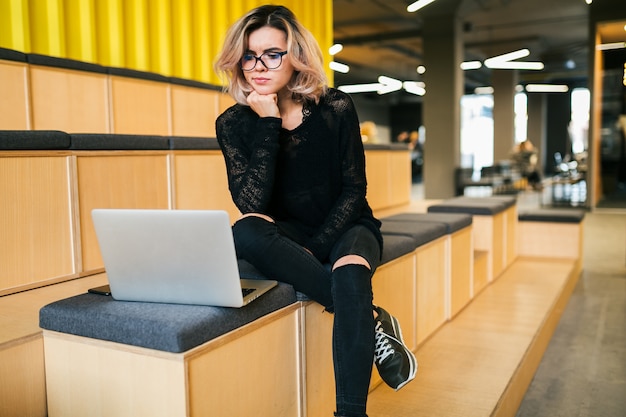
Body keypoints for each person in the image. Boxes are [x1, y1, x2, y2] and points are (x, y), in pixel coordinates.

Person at [214, 5, 416, 417]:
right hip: (287, 229)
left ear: (296, 57)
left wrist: (313, 251)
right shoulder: (234, 122)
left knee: (350, 271)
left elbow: (353, 190)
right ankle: (373, 320)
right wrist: (268, 122)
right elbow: (251, 203)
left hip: (347, 223)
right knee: (245, 229)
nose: (258, 66)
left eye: (272, 54)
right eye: (249, 55)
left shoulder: (336, 107)